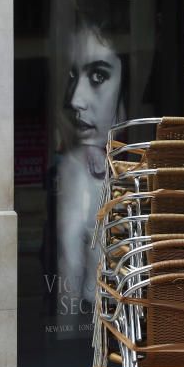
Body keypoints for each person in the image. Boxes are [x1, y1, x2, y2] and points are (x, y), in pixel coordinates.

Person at [55, 17, 125, 316]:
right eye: (73, 76)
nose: (75, 100)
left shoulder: (132, 167)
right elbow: (69, 260)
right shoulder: (74, 166)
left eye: (97, 76)